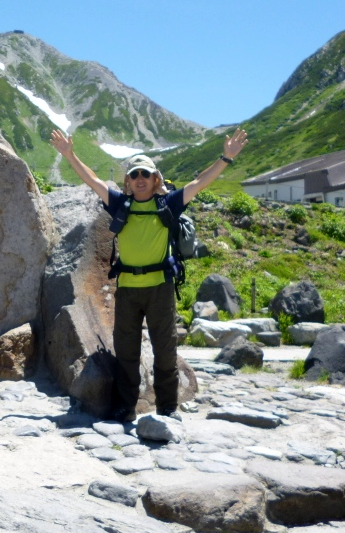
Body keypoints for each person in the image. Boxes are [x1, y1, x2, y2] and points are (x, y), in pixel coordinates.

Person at [50, 127, 249, 422]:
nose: (140, 179)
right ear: (127, 182)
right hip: (128, 289)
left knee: (165, 350)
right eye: (134, 175)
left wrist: (226, 158)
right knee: (126, 353)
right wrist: (70, 154)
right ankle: (126, 406)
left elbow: (199, 182)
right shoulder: (120, 204)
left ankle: (167, 407)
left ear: (156, 179)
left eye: (145, 174)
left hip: (160, 287)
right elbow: (92, 180)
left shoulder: (167, 203)